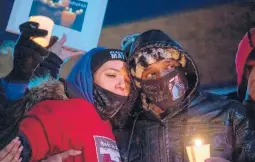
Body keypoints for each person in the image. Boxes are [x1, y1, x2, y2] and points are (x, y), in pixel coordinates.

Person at [124, 29, 255, 162]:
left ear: (184, 68)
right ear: (140, 83)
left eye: (169, 67)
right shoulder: (131, 129)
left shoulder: (229, 113)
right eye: (151, 74)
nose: (163, 78)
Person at [0, 46, 136, 162]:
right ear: (88, 76)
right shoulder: (61, 111)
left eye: (128, 81)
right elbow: (10, 151)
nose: (122, 85)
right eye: (111, 75)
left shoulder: (111, 126)